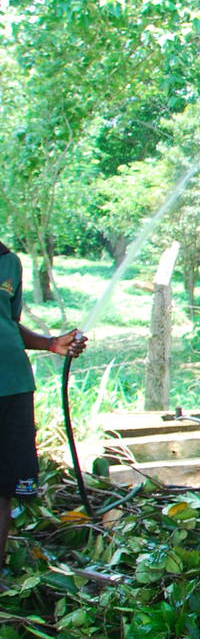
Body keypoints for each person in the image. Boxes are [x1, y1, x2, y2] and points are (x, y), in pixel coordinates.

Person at [1, 239, 87, 565]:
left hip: (13, 386)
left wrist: (51, 344)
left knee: (4, 488)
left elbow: (8, 322)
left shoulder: (9, 262)